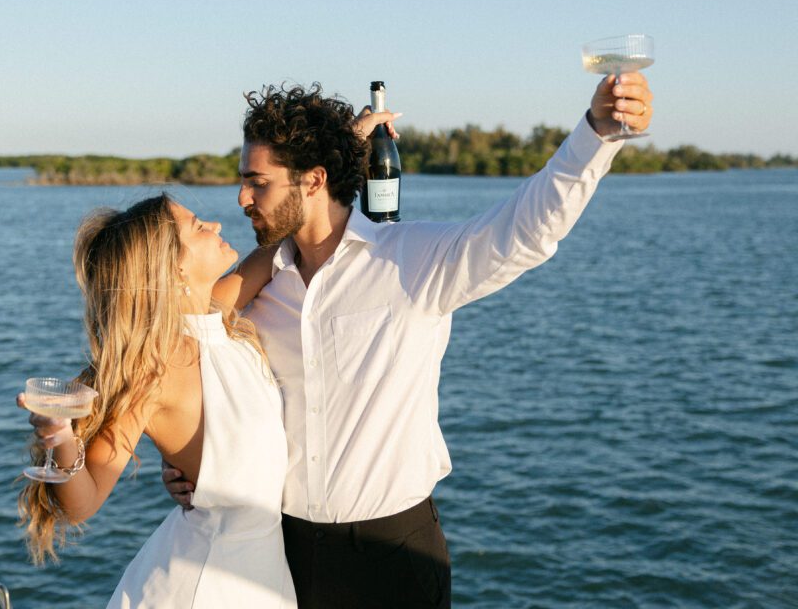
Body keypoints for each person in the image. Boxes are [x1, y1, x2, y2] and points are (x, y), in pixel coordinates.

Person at [164, 74, 654, 608]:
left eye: (258, 181)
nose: (242, 197)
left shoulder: (410, 261)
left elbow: (526, 229)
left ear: (312, 180)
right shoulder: (259, 288)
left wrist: (597, 135)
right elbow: (196, 366)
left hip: (394, 556)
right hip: (281, 552)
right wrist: (190, 458)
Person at [16, 195, 296, 608]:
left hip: (257, 574)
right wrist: (60, 437)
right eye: (199, 226)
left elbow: (285, 241)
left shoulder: (217, 317)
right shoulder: (156, 369)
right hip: (205, 587)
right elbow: (84, 503)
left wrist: (353, 142)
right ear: (174, 269)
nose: (216, 226)